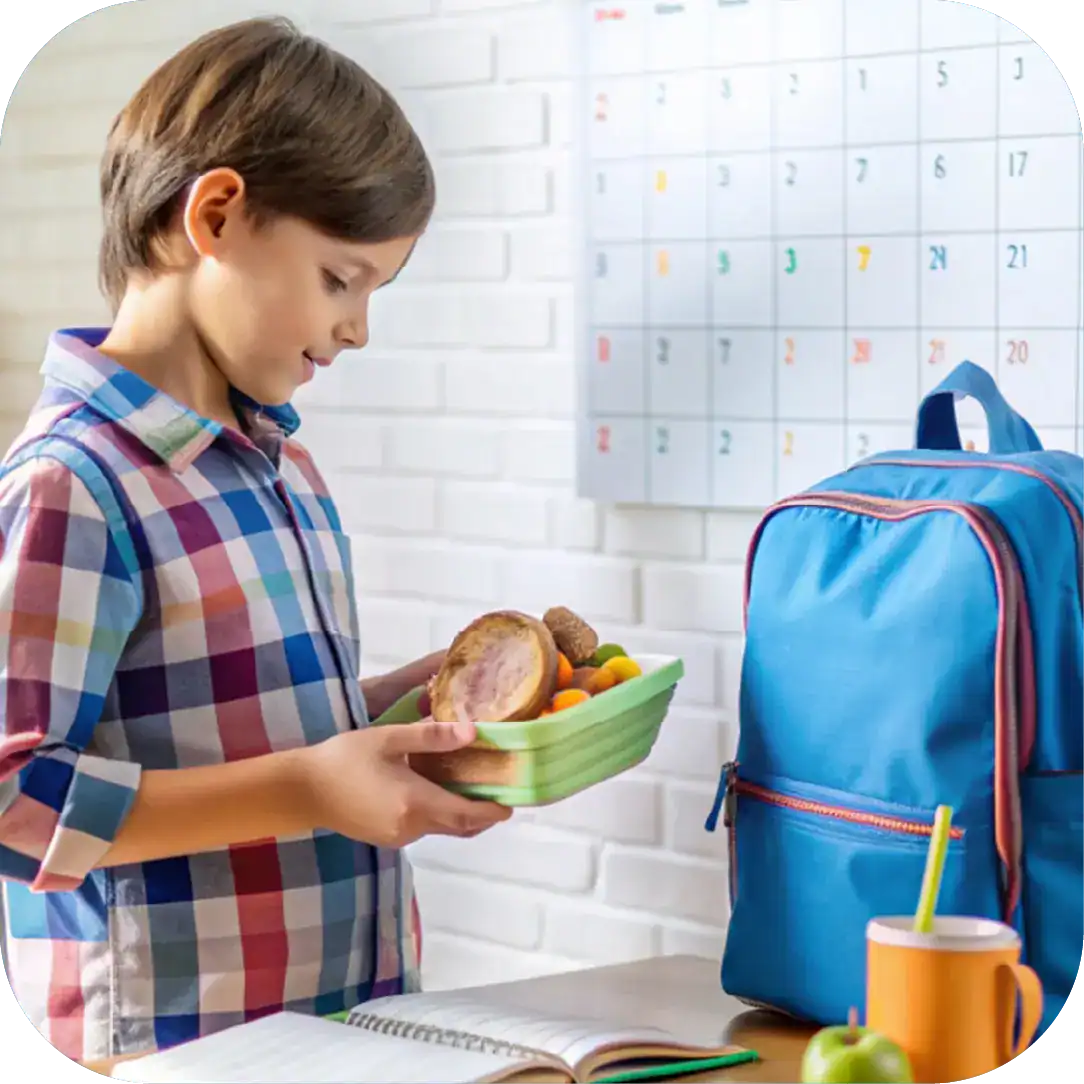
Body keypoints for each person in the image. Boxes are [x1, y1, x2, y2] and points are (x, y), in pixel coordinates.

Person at [0, 15, 510, 1068]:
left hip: (336, 1020)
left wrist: (408, 711)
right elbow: (11, 796)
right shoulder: (73, 485)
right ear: (218, 214)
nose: (358, 327)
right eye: (341, 278)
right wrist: (313, 787)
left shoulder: (279, 464)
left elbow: (235, 723)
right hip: (171, 1046)